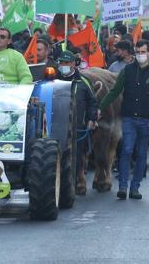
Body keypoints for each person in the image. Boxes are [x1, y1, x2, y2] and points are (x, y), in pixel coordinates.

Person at [99, 40, 149, 200]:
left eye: (143, 52)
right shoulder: (127, 70)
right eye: (138, 52)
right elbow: (115, 91)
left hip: (146, 119)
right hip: (128, 117)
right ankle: (122, 186)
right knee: (127, 150)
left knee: (141, 153)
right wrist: (100, 107)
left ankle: (135, 187)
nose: (140, 55)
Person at [56, 51, 98, 195]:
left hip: (77, 127)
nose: (63, 66)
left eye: (67, 63)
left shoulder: (84, 82)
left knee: (76, 157)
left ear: (74, 64)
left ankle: (72, 185)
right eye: (61, 63)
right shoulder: (52, 81)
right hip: (56, 127)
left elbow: (92, 103)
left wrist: (92, 119)